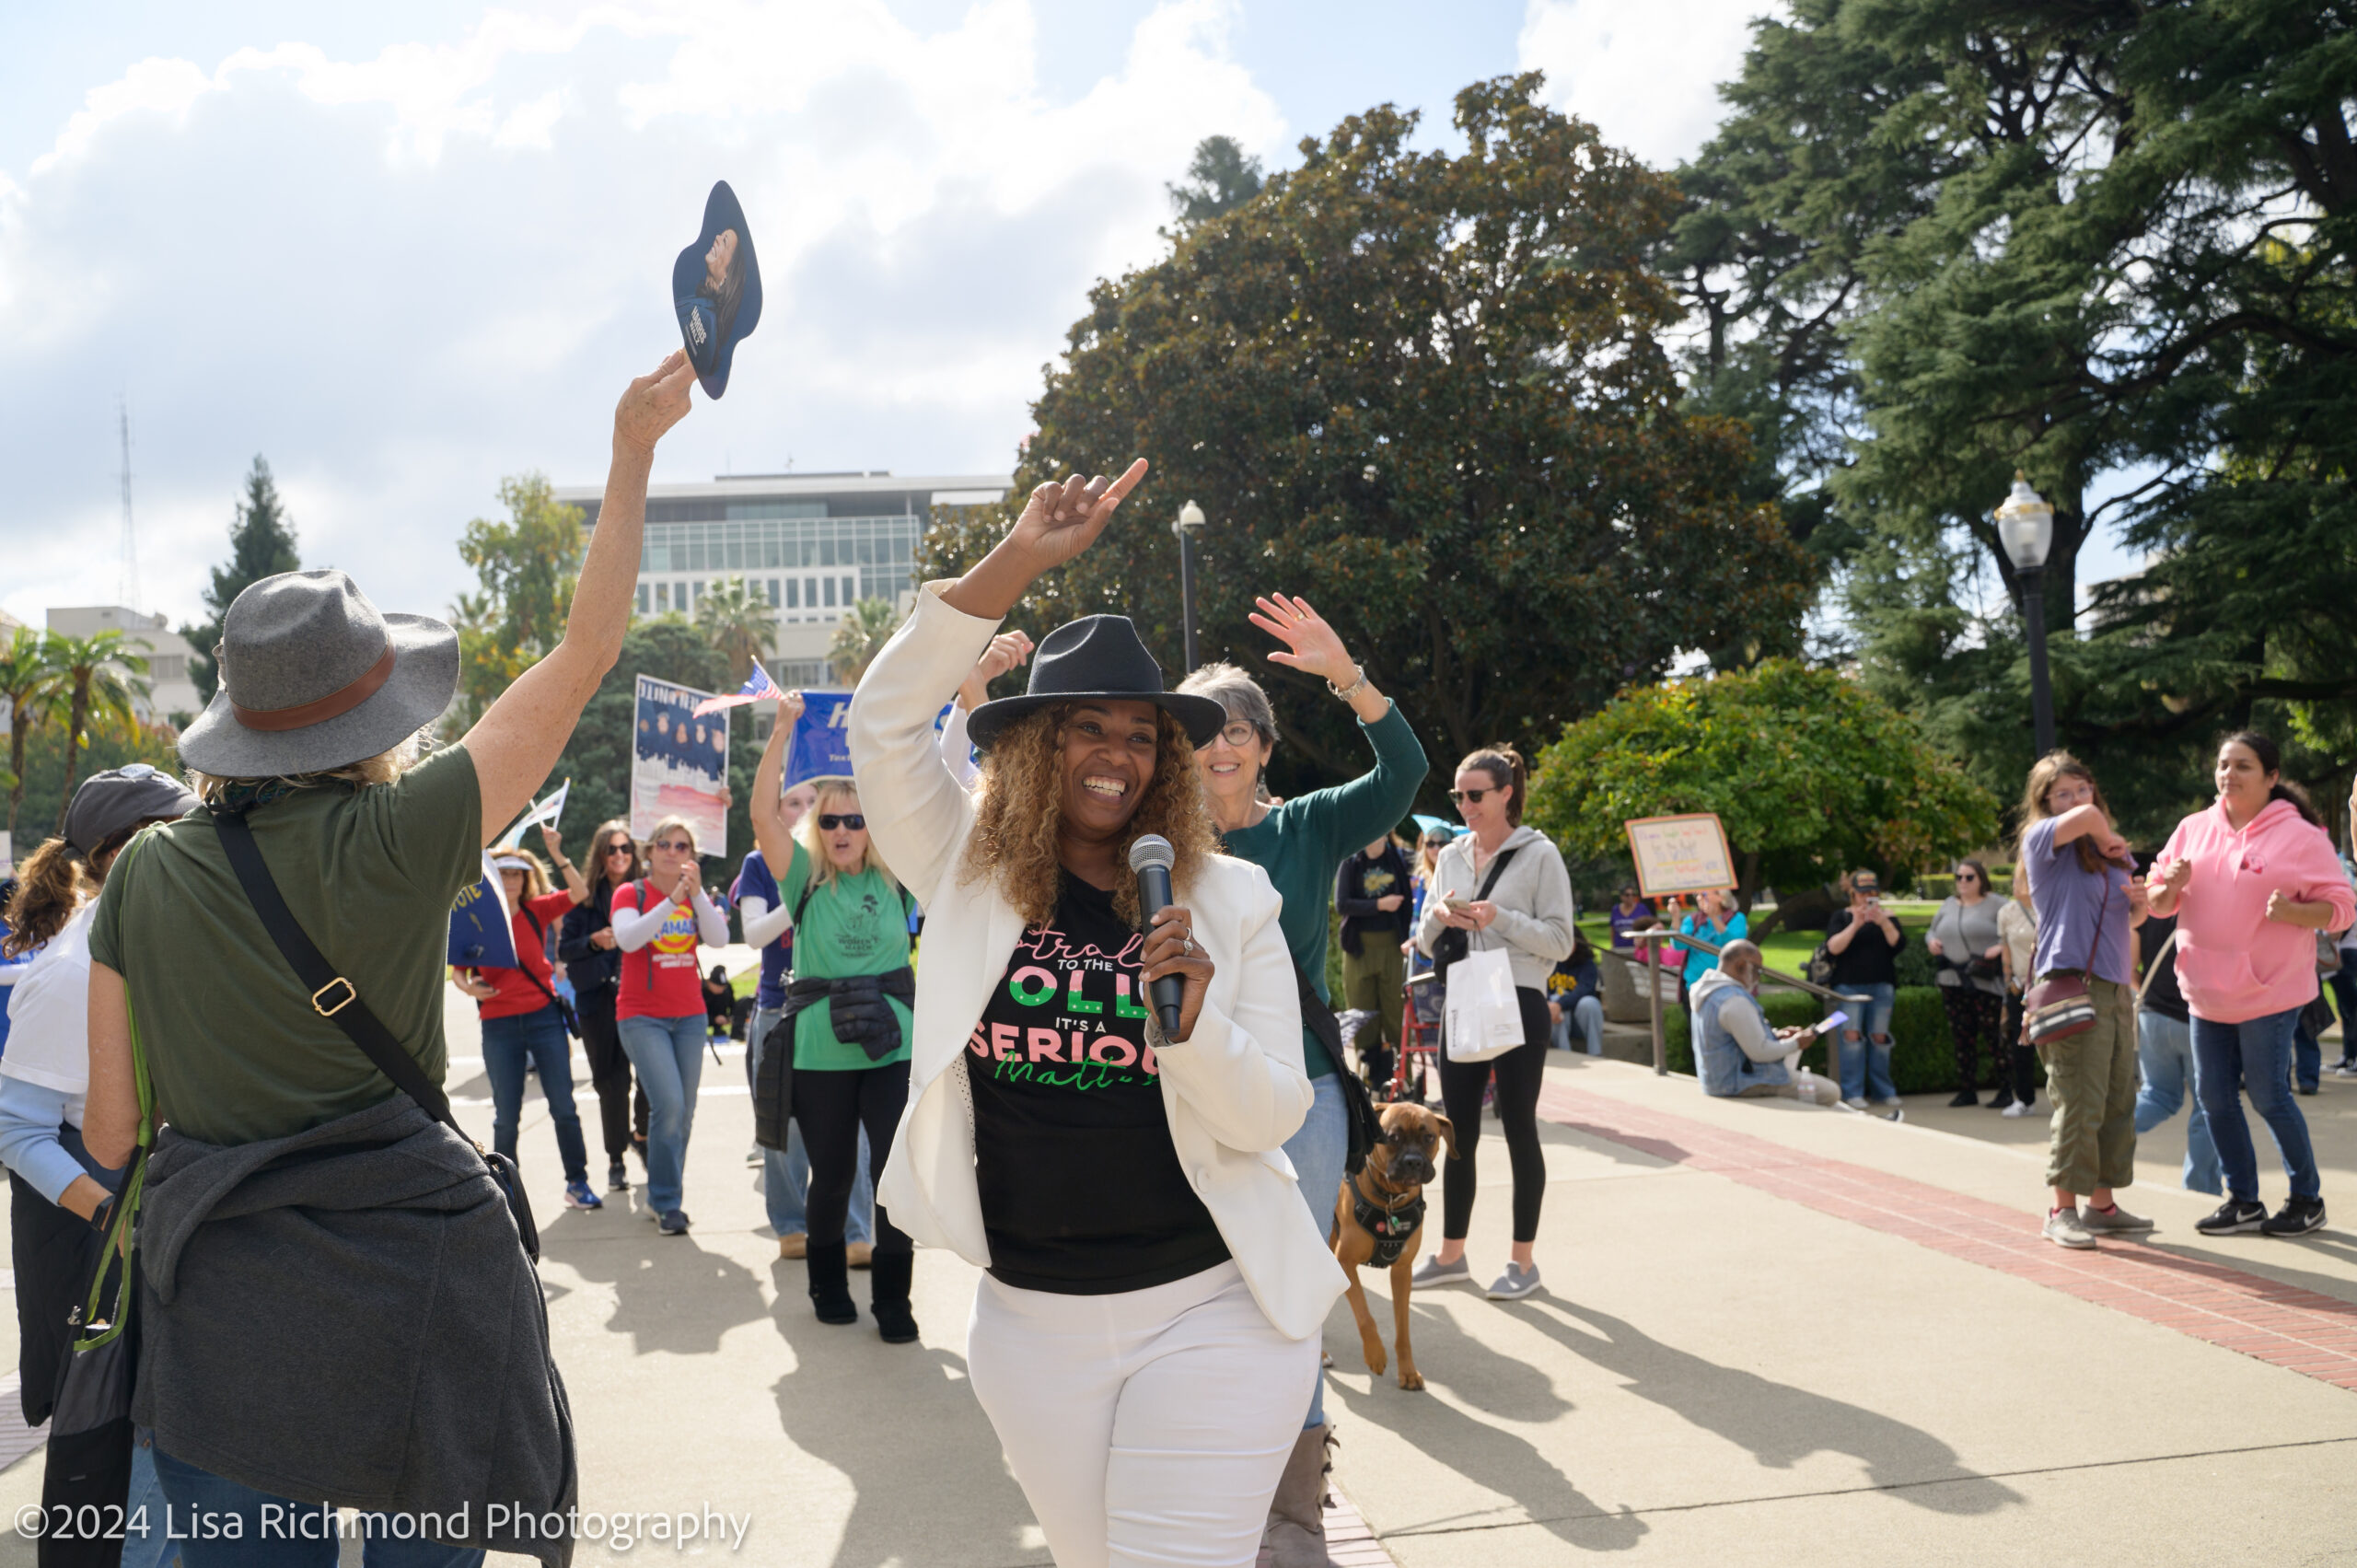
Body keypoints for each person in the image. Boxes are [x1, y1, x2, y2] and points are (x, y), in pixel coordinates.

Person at [78, 343, 695, 1567]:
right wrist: (630, 452)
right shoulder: (408, 831)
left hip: (224, 1305)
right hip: (417, 1280)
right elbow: (585, 653)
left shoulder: (145, 867)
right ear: (378, 714)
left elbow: (109, 1133)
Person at [851, 462, 1341, 1568]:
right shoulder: (966, 871)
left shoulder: (1228, 897)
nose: (1115, 755)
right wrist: (1017, 557)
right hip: (1033, 1323)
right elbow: (882, 726)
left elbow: (1267, 1113)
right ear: (1032, 743)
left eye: (1139, 734)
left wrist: (1195, 1023)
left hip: (1212, 1304)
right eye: (1085, 728)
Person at [1175, 598, 1426, 1567]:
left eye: (1237, 728)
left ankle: (1292, 1520)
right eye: (1201, 732)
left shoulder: (1309, 827)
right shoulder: (1155, 848)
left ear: (1266, 746)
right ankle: (1209, 1486)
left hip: (1304, 1091)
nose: (1220, 745)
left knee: (1291, 1292)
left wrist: (1348, 676)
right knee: (1198, 1288)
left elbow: (1401, 773)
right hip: (1188, 1097)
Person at [1, 765, 197, 1568]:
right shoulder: (72, 969)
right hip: (134, 1253)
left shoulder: (190, 932)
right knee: (146, 1454)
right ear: (130, 851)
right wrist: (119, 1221)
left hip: (201, 1228)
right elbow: (17, 1130)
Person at [2149, 731, 2352, 1237]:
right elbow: (2154, 903)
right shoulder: (2193, 828)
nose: (2228, 775)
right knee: (2214, 1099)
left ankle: (2306, 1199)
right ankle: (2243, 1200)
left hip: (2270, 992)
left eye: (2243, 766)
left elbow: (2342, 910)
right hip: (2204, 992)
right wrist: (2166, 888)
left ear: (2272, 777)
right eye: (2223, 765)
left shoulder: (2302, 837)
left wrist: (2293, 912)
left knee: (2268, 1097)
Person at [746, 762, 919, 1342]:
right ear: (816, 828)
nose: (842, 830)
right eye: (830, 821)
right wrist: (780, 732)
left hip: (892, 1050)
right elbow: (760, 813)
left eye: (856, 820)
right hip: (821, 1055)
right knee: (834, 1174)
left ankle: (894, 1299)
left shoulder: (898, 875)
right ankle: (828, 1286)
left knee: (895, 1178)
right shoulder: (803, 879)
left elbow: (928, 790)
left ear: (875, 827)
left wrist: (967, 699)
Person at [1411, 746, 1576, 1303]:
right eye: (1458, 795)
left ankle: (1522, 1263)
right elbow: (1425, 936)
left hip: (1519, 997)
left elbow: (1561, 940)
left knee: (1520, 1127)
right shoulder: (1452, 855)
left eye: (1475, 794)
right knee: (1456, 1130)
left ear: (1506, 793)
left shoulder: (1540, 854)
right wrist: (1438, 918)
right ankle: (1452, 1255)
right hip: (1463, 994)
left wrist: (1498, 917)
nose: (1465, 805)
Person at [737, 757, 877, 1263]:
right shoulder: (764, 865)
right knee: (786, 1131)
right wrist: (800, 888)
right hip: (781, 1008)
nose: (808, 811)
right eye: (794, 804)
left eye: (815, 805)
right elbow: (753, 935)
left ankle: (860, 1232)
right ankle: (792, 1223)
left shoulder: (856, 862)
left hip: (845, 1010)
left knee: (855, 1131)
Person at [2017, 751, 2149, 1250]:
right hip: (2074, 982)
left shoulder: (2109, 854)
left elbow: (2128, 921)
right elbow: (2093, 821)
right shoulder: (2041, 842)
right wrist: (2102, 831)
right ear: (2046, 803)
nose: (2076, 799)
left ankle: (2102, 1206)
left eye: (2082, 789)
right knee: (2078, 1101)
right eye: (2062, 793)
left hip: (2116, 989)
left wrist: (2139, 906)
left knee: (2117, 1101)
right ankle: (2060, 1211)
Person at [448, 832, 602, 1212]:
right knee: (506, 1113)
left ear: (527, 878)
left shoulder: (538, 910)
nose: (512, 880)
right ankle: (505, 1192)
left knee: (563, 1105)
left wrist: (556, 852)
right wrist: (470, 989)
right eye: (505, 874)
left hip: (543, 1017)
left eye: (518, 874)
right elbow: (460, 971)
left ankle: (577, 1182)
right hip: (498, 1023)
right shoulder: (478, 917)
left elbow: (580, 892)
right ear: (494, 881)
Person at [611, 814, 731, 1237]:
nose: (673, 852)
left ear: (692, 856)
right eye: (664, 844)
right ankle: (666, 1201)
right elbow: (629, 938)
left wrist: (695, 897)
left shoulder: (694, 897)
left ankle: (664, 1194)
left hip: (690, 1016)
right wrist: (672, 898)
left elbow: (718, 938)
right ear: (649, 852)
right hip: (642, 1016)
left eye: (682, 847)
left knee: (685, 1112)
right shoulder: (631, 892)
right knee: (669, 1105)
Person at [559, 818, 649, 1192]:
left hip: (644, 998)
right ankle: (616, 1159)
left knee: (649, 1079)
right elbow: (565, 950)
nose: (619, 855)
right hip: (598, 1003)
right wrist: (594, 941)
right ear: (600, 854)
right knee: (611, 1085)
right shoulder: (585, 900)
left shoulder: (647, 893)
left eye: (625, 848)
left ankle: (641, 1136)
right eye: (611, 849)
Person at [2130, 904, 2220, 1195]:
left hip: (2152, 1016)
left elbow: (2129, 966)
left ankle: (2105, 1135)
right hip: (2197, 1018)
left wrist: (2150, 992)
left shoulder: (2152, 909)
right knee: (2209, 1106)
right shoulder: (2211, 910)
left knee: (2157, 1095)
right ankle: (2200, 1188)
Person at [1691, 940, 1840, 1102]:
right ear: (1741, 965)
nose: (1758, 976)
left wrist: (1776, 1036)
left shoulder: (1709, 991)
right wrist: (1797, 1043)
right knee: (1830, 1092)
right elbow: (1760, 1053)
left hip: (1719, 1080)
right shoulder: (1734, 1000)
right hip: (1742, 1083)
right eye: (1757, 970)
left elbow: (1735, 1039)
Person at [1337, 833, 1415, 1092]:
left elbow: (1409, 901)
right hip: (1359, 948)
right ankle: (1368, 1079)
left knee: (1395, 1014)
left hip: (1392, 945)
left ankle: (1404, 1078)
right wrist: (1379, 904)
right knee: (1362, 1015)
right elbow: (1342, 904)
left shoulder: (1398, 858)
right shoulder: (1351, 860)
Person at [1927, 857, 2008, 1106]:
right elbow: (1932, 929)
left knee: (1994, 1036)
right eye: (1959, 877)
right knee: (1962, 1036)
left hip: (1983, 979)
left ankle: (2007, 1089)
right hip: (1952, 979)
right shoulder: (1949, 904)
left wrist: (2001, 946)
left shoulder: (1997, 904)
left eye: (1969, 877)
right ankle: (1967, 1089)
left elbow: (2019, 930)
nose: (1963, 882)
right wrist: (1931, 941)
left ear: (1981, 879)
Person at [1824, 870, 1908, 1110]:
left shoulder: (1887, 917)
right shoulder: (1841, 917)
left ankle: (1883, 1090)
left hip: (1882, 985)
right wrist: (1856, 924)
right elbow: (1833, 948)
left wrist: (1882, 921)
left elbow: (1898, 944)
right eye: (1863, 894)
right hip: (1848, 986)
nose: (1868, 898)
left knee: (1879, 1038)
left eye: (1873, 893)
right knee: (1850, 1038)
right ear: (1853, 894)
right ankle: (1852, 1091)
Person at [1996, 879, 2040, 1117]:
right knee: (2020, 1043)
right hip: (2019, 988)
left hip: (2048, 986)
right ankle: (2024, 1099)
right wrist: (2009, 981)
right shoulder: (2006, 912)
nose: (2015, 884)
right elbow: (2005, 948)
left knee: (2055, 1042)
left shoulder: (2048, 905)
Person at [1547, 932, 1605, 1056]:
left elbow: (1583, 990)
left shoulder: (1587, 965)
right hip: (1558, 1020)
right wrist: (1552, 1005)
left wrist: (1560, 1004)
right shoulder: (1548, 963)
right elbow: (1541, 990)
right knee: (1553, 1002)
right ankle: (1564, 1053)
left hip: (1580, 1022)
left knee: (1589, 1002)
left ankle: (1596, 1054)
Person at [1607, 884, 1655, 952]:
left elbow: (1652, 926)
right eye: (1627, 895)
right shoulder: (1615, 909)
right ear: (1621, 896)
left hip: (1638, 949)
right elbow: (1612, 929)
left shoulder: (1642, 908)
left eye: (1633, 894)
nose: (1631, 897)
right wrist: (1613, 945)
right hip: (1619, 948)